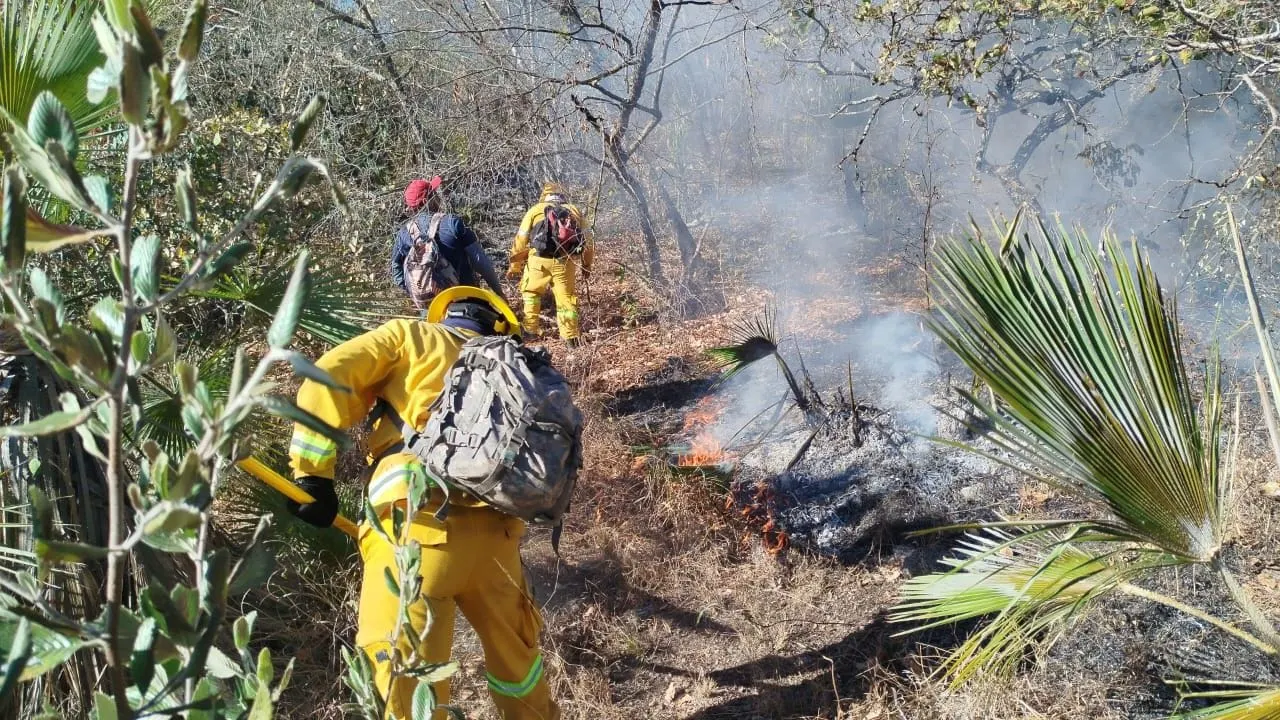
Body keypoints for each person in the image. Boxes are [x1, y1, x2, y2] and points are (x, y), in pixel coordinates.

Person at [285, 286, 559, 720]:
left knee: (405, 682)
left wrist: (313, 474)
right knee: (518, 667)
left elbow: (330, 374)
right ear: (499, 326)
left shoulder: (410, 337)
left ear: (445, 314)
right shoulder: (520, 370)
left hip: (413, 528)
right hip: (499, 542)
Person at [391, 177, 506, 303]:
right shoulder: (452, 223)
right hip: (467, 300)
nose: (438, 196)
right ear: (426, 201)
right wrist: (499, 293)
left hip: (433, 309)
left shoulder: (404, 233)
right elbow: (481, 262)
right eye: (434, 193)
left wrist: (418, 292)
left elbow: (396, 271)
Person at [506, 182, 594, 345]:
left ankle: (530, 332)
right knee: (566, 300)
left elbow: (520, 240)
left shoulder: (535, 210)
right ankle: (571, 338)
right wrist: (586, 266)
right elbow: (588, 241)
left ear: (544, 195)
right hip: (564, 262)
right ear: (563, 195)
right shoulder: (573, 210)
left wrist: (514, 266)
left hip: (537, 262)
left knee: (531, 295)